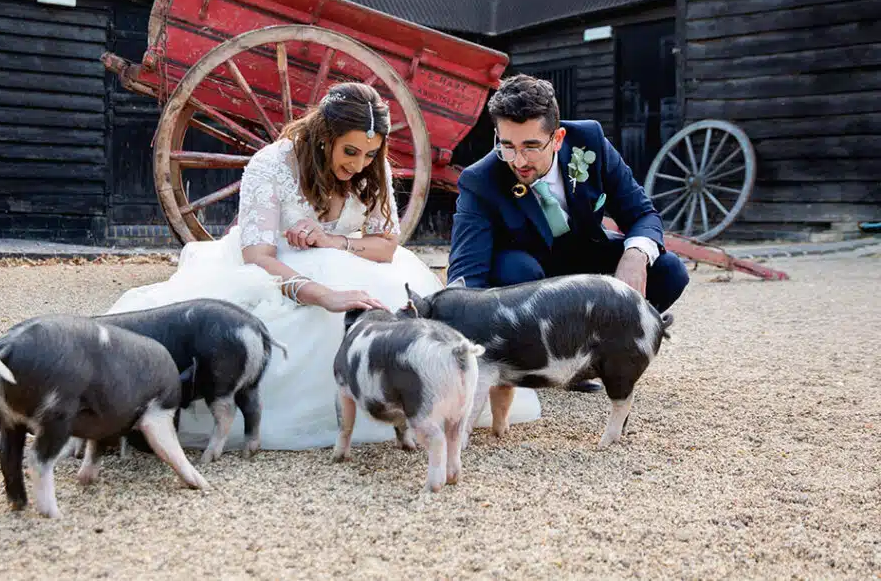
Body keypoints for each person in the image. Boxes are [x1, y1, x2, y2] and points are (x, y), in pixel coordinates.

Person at [105, 82, 542, 451]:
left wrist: (332, 240)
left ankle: (401, 405)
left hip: (354, 261)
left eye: (370, 155)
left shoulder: (373, 172)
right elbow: (257, 258)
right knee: (287, 333)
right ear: (323, 134)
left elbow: (386, 246)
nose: (358, 165)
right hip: (273, 275)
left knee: (395, 316)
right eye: (350, 151)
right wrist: (322, 294)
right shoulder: (272, 165)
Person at [446, 74, 690, 393]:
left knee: (670, 271)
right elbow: (467, 275)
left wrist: (635, 255)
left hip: (585, 260)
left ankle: (595, 360)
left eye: (531, 146)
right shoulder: (479, 180)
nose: (518, 160)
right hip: (526, 282)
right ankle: (534, 369)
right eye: (507, 146)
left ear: (558, 138)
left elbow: (642, 212)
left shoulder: (590, 140)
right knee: (519, 269)